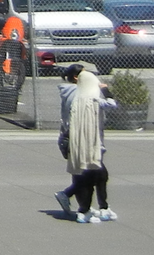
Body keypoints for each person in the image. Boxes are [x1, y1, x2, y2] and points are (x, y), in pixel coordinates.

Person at [56, 65, 117, 222]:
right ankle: (86, 210)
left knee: (88, 175)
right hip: (88, 140)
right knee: (91, 176)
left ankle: (89, 206)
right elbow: (111, 104)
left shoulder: (70, 93)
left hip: (70, 139)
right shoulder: (86, 95)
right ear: (78, 78)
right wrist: (105, 90)